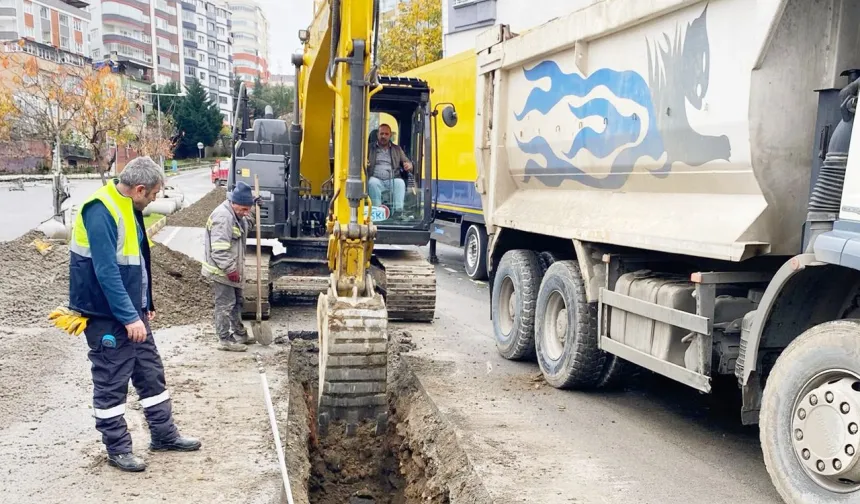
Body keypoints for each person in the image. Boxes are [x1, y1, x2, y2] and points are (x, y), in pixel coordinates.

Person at [68, 156, 200, 473]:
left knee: (150, 374)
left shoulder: (129, 207)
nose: (155, 200)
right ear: (139, 189)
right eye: (153, 194)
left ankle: (164, 436)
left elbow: (137, 260)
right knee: (112, 382)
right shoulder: (101, 209)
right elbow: (106, 271)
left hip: (132, 311)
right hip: (106, 316)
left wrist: (146, 303)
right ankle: (118, 449)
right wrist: (129, 317)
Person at [202, 180, 256, 352]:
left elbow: (248, 224)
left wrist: (256, 209)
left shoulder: (237, 214)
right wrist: (230, 269)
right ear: (234, 203)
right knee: (225, 305)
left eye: (248, 209)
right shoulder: (223, 217)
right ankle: (224, 339)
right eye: (244, 209)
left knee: (237, 302)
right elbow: (218, 250)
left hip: (232, 269)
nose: (246, 213)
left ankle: (239, 333)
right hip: (222, 271)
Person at [366, 124, 413, 214]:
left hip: (392, 180)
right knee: (372, 182)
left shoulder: (397, 149)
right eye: (381, 133)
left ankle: (398, 212)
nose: (383, 136)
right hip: (376, 179)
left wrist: (409, 165)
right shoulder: (369, 148)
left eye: (386, 134)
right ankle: (377, 212)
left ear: (390, 135)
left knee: (400, 183)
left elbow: (407, 162)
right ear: (377, 135)